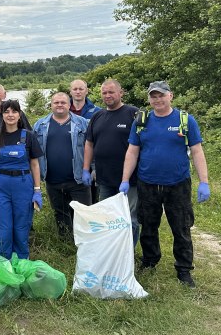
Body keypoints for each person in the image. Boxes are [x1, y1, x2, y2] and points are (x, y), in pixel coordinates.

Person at [120, 81, 211, 289]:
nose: (157, 100)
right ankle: (150, 261)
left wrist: (203, 182)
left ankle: (184, 270)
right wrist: (125, 179)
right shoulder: (141, 121)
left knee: (181, 227)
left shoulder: (185, 120)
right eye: (153, 96)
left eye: (161, 95)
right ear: (149, 99)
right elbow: (132, 151)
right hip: (148, 183)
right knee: (148, 225)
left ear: (170, 96)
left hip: (177, 184)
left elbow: (196, 150)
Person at [0, 99, 43, 259]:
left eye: (14, 111)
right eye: (6, 111)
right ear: (2, 115)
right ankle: (3, 264)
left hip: (23, 185)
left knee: (22, 227)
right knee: (3, 228)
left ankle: (22, 261)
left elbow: (35, 164)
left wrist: (37, 190)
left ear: (20, 114)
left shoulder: (28, 136)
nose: (10, 115)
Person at [82, 79, 140, 245]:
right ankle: (111, 252)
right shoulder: (97, 116)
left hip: (130, 180)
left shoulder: (133, 114)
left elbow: (143, 143)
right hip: (104, 178)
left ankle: (128, 254)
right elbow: (89, 143)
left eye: (111, 92)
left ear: (120, 93)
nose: (107, 95)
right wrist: (86, 169)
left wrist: (127, 178)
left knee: (130, 219)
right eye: (104, 92)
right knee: (107, 219)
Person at [32, 91, 90, 239]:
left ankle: (85, 242)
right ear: (51, 105)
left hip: (78, 179)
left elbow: (92, 147)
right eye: (56, 102)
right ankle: (66, 244)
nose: (59, 105)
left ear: (69, 105)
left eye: (63, 102)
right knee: (60, 213)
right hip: (52, 180)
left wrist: (91, 170)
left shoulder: (83, 123)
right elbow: (32, 153)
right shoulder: (40, 125)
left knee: (83, 214)